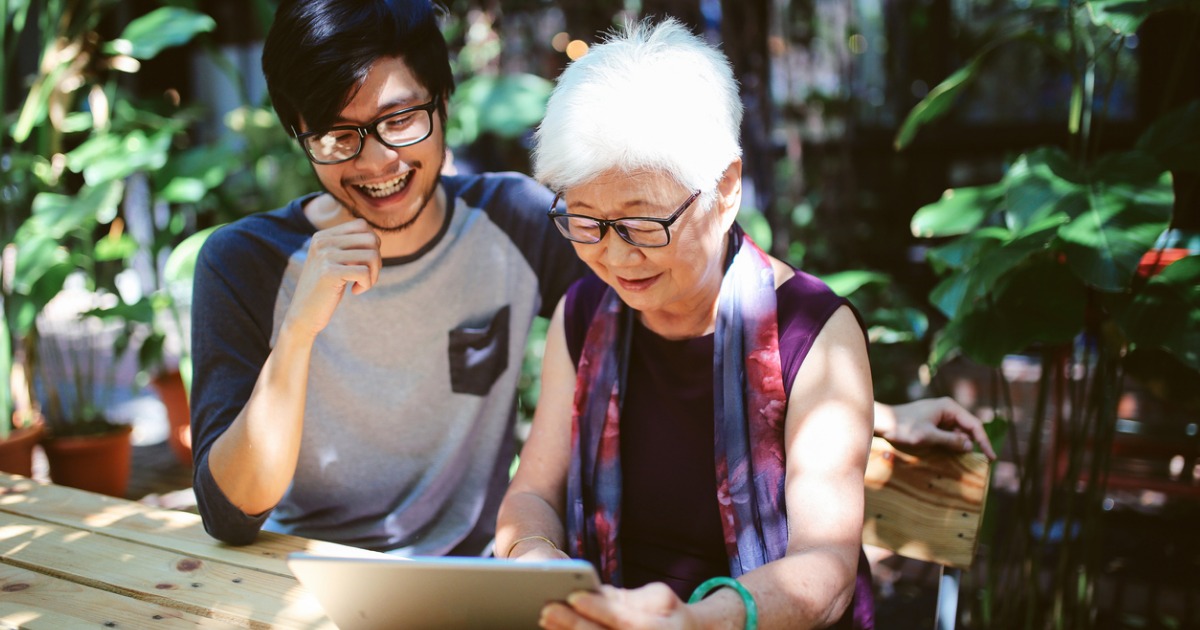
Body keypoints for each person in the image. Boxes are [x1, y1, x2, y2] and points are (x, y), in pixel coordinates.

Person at [190, 0, 994, 557]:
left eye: (401, 119)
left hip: (455, 585)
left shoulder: (511, 221)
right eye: (335, 135)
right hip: (293, 575)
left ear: (443, 103)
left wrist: (854, 398)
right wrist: (296, 333)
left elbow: (676, 288)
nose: (376, 160)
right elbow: (231, 514)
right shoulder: (245, 262)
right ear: (297, 134)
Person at [495, 20, 877, 628]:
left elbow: (826, 569)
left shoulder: (813, 331)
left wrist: (695, 622)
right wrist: (538, 560)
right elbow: (533, 493)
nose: (617, 258)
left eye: (643, 224)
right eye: (587, 222)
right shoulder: (583, 315)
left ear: (724, 191)